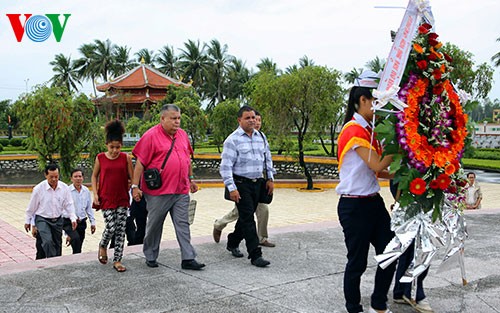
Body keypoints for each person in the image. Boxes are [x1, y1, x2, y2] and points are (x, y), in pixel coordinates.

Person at [335, 71, 396, 313]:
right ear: (362, 101)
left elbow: (380, 172)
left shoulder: (369, 129)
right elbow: (378, 165)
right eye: (376, 102)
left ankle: (379, 304)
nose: (379, 109)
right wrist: (399, 140)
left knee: (390, 253)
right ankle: (354, 308)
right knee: (357, 262)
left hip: (373, 203)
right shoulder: (353, 131)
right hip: (353, 207)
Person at [131, 104, 205, 270]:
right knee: (155, 225)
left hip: (180, 190)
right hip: (159, 192)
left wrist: (191, 178)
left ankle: (188, 258)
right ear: (162, 119)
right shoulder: (150, 136)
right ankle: (150, 254)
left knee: (183, 224)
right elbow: (140, 164)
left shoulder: (183, 135)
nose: (177, 122)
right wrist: (135, 186)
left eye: (178, 118)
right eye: (173, 118)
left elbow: (187, 159)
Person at [219, 105, 274, 267]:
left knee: (245, 216)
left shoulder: (261, 137)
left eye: (253, 117)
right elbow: (225, 167)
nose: (252, 120)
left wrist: (270, 178)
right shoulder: (232, 140)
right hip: (241, 184)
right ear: (239, 120)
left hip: (258, 183)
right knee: (249, 218)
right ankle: (255, 255)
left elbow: (267, 159)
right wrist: (232, 188)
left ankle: (233, 240)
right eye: (247, 118)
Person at [92, 119, 133, 273]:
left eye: (118, 147)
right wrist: (95, 193)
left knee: (121, 230)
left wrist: (133, 186)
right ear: (106, 145)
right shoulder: (100, 158)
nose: (115, 150)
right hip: (106, 198)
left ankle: (117, 260)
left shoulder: (126, 158)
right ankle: (103, 245)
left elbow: (132, 176)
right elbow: (94, 177)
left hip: (122, 197)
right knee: (111, 226)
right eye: (112, 147)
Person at [390, 181, 433, 313]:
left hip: (426, 197)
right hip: (411, 197)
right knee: (421, 247)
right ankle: (413, 292)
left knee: (412, 246)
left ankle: (401, 290)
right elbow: (396, 180)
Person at [24, 163, 77, 259]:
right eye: (51, 177)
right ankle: (52, 262)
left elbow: (69, 204)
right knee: (47, 241)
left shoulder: (64, 188)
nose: (54, 179)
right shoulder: (38, 189)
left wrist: (73, 218)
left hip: (57, 219)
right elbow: (32, 207)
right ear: (46, 175)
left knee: (57, 244)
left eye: (56, 177)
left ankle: (56, 263)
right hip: (42, 219)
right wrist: (28, 221)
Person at [62, 168, 96, 254]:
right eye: (75, 176)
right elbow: (63, 209)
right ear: (71, 178)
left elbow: (89, 208)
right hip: (69, 222)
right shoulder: (67, 191)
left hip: (81, 223)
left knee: (79, 245)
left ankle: (76, 260)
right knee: (75, 239)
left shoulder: (86, 191)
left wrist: (93, 222)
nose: (78, 179)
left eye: (80, 176)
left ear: (83, 178)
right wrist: (67, 234)